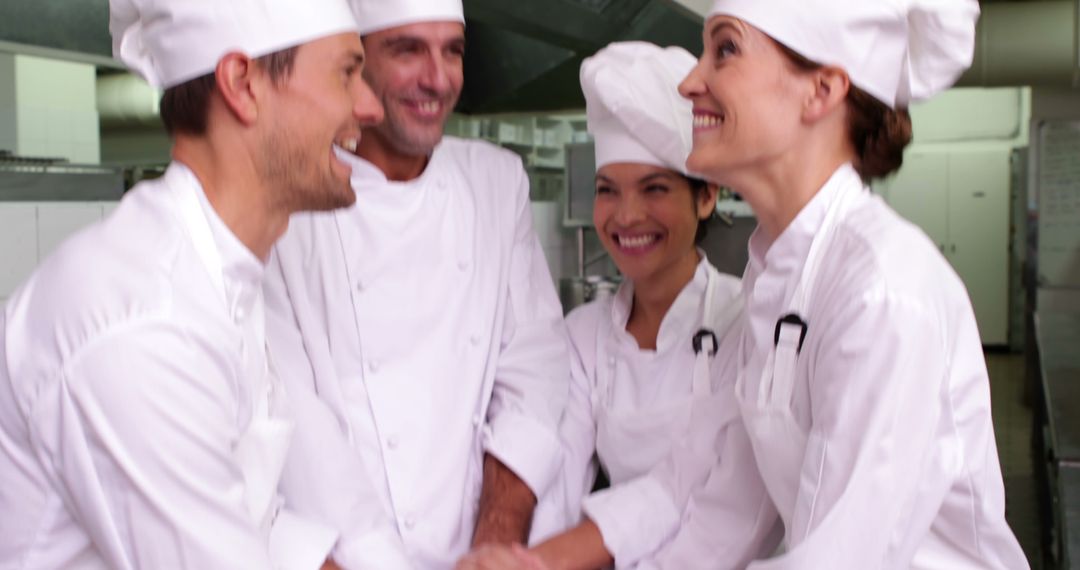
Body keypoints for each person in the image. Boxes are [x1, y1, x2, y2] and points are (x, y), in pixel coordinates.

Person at [0, 0, 408, 567]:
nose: (369, 107)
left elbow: (251, 516)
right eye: (346, 72)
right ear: (243, 84)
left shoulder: (217, 278)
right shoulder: (145, 320)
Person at [667, 0, 1027, 566]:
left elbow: (841, 558)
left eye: (726, 48)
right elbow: (733, 510)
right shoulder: (776, 273)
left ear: (823, 90)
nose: (690, 82)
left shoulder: (881, 287)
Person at [262, 0, 570, 566]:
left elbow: (535, 372)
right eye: (408, 50)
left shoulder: (495, 182)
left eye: (452, 51)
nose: (438, 78)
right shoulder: (290, 206)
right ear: (353, 65)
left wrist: (493, 544)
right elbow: (298, 428)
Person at [513, 42, 777, 570]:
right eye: (608, 190)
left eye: (654, 189)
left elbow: (732, 522)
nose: (626, 216)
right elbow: (559, 477)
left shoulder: (745, 326)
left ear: (706, 198)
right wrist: (524, 556)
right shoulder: (585, 335)